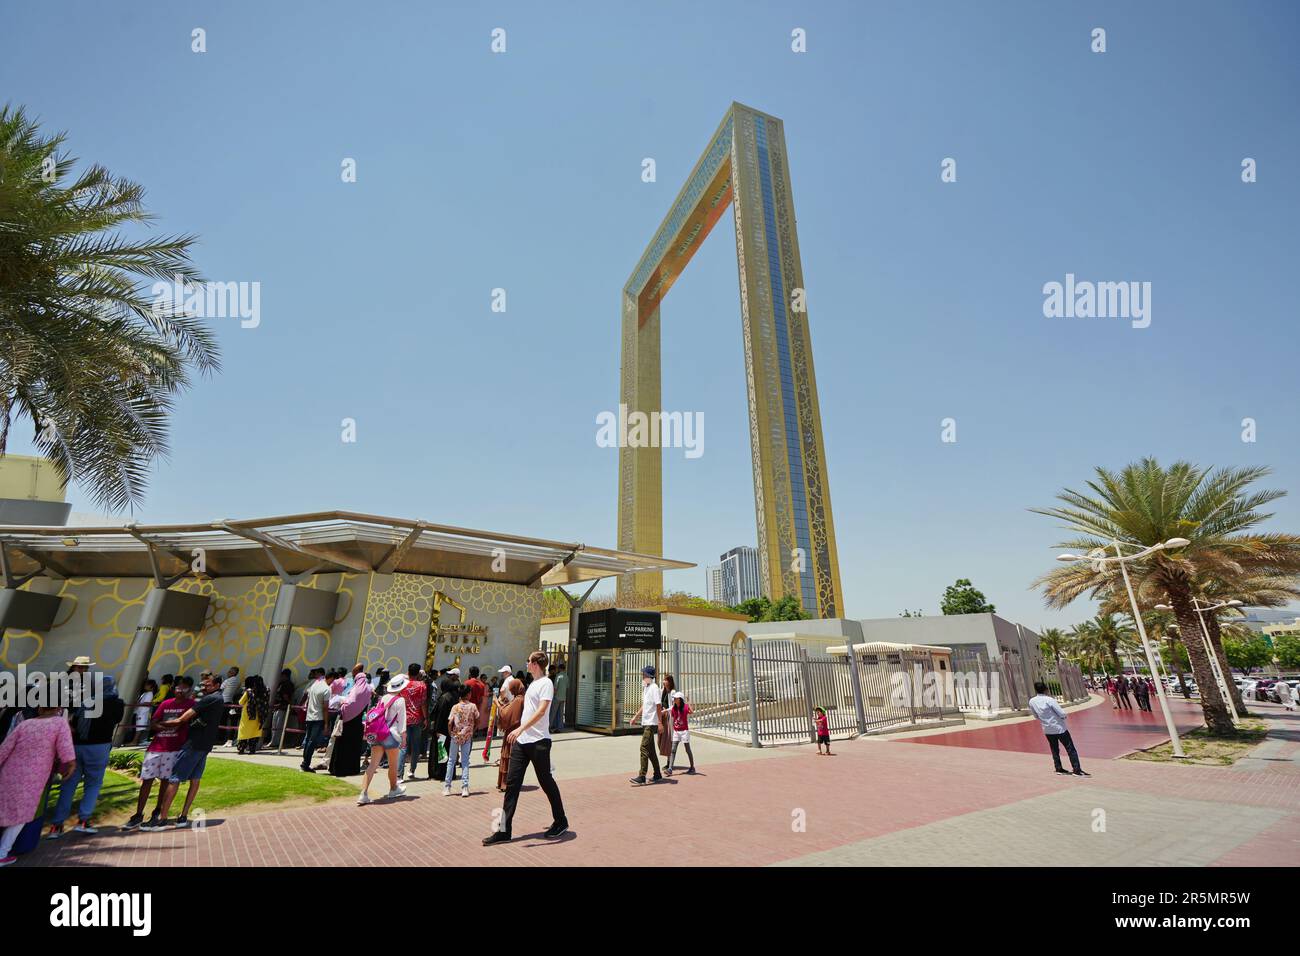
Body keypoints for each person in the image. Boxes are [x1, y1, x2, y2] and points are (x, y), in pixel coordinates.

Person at [482, 651, 567, 846]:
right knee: (511, 784)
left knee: (546, 782)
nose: (526, 663)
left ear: (536, 664)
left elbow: (542, 711)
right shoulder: (532, 684)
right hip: (523, 741)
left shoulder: (546, 683)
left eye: (529, 661)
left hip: (539, 742)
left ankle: (561, 820)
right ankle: (503, 831)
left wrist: (520, 728)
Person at [48, 673, 125, 838]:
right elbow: (118, 719)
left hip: (77, 746)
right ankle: (83, 821)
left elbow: (75, 723)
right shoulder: (117, 703)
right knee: (93, 784)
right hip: (99, 747)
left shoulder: (86, 702)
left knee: (68, 785)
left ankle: (57, 825)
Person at [145, 673, 225, 830]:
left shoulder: (210, 699)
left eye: (208, 685)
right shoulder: (218, 699)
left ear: (216, 686)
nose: (204, 687)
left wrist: (159, 724)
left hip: (193, 744)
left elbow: (182, 719)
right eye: (203, 684)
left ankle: (162, 818)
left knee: (174, 778)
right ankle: (183, 816)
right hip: (205, 745)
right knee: (195, 779)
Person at [0, 704, 75, 866]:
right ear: (57, 709)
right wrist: (71, 765)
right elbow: (66, 749)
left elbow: (4, 749)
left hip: (10, 772)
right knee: (22, 816)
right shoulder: (59, 723)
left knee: (3, 808)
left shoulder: (25, 724)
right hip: (33, 778)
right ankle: (2, 853)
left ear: (40, 708)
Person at [124, 676, 195, 829]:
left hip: (174, 748)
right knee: (147, 780)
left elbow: (183, 722)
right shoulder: (165, 704)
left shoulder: (191, 705)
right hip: (156, 747)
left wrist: (164, 725)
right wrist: (162, 726)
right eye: (178, 687)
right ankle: (138, 814)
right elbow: (153, 723)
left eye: (184, 688)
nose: (180, 691)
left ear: (189, 690)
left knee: (165, 781)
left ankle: (157, 812)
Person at [357, 674, 408, 805]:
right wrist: (404, 738)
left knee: (373, 765)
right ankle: (393, 789)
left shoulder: (383, 697)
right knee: (393, 765)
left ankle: (363, 793)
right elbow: (402, 722)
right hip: (392, 734)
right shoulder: (400, 700)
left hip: (378, 733)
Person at [1027, 681, 1089, 777]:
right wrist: (1063, 717)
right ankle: (1076, 770)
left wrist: (1045, 720)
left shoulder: (1032, 701)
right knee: (1070, 749)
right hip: (1059, 728)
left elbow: (1036, 716)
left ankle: (1058, 768)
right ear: (1045, 689)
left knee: (1054, 749)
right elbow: (1061, 713)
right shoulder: (1049, 700)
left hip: (1047, 729)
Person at [329, 665, 370, 777]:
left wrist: (342, 704)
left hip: (348, 722)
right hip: (358, 723)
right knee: (354, 747)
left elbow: (351, 703)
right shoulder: (367, 688)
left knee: (343, 746)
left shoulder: (357, 688)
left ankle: (339, 769)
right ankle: (352, 769)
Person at [628, 665, 664, 786]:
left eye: (644, 675)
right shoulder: (646, 688)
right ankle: (658, 774)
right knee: (651, 750)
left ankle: (642, 775)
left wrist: (659, 723)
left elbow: (658, 706)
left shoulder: (654, 688)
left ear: (649, 676)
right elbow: (645, 706)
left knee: (643, 747)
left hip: (651, 723)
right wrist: (635, 717)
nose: (642, 677)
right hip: (646, 722)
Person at [444, 684, 479, 797]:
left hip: (455, 735)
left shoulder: (455, 707)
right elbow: (477, 719)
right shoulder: (473, 706)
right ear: (468, 694)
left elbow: (450, 722)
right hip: (467, 736)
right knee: (465, 761)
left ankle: (447, 787)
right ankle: (465, 787)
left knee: (451, 761)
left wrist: (450, 733)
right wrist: (473, 729)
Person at [397, 663, 427, 781]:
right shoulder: (422, 685)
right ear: (419, 672)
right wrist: (425, 718)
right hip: (417, 718)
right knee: (415, 746)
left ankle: (399, 775)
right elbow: (423, 703)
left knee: (403, 746)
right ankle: (412, 770)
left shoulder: (403, 685)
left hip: (404, 718)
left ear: (408, 672)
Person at [494, 678, 525, 792]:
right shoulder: (520, 698)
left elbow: (506, 714)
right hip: (516, 732)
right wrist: (505, 704)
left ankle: (506, 783)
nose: (511, 692)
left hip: (512, 733)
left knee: (508, 756)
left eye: (512, 689)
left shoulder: (518, 700)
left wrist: (497, 704)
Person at [300, 669, 331, 773]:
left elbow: (308, 700)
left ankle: (304, 762)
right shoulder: (327, 689)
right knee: (312, 741)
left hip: (309, 717)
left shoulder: (314, 685)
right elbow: (325, 708)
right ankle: (305, 764)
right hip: (318, 718)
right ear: (332, 678)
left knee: (308, 739)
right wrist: (326, 724)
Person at [236, 675, 269, 755]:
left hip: (248, 716)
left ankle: (241, 749)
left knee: (243, 732)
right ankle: (252, 750)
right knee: (254, 733)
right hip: (260, 716)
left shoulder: (249, 691)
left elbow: (240, 702)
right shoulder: (266, 691)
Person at [666, 690, 696, 774]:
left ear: (680, 699)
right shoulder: (674, 708)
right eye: (674, 698)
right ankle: (670, 768)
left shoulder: (685, 707)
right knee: (673, 749)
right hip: (676, 731)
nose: (674, 700)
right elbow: (672, 717)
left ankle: (692, 767)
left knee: (687, 749)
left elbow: (692, 711)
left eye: (676, 698)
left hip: (684, 731)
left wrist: (688, 701)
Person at [267, 668, 294, 748]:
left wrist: (289, 703)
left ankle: (276, 742)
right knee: (275, 726)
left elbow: (286, 696)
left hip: (282, 707)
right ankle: (273, 741)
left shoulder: (287, 684)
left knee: (278, 726)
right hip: (278, 707)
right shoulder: (282, 683)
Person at [131, 679, 158, 746]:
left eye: (147, 685)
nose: (145, 686)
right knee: (138, 727)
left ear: (151, 686)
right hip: (140, 712)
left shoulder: (149, 694)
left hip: (143, 713)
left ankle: (135, 741)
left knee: (139, 728)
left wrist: (138, 704)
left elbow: (147, 703)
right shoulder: (145, 693)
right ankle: (137, 741)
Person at [219, 666, 242, 745]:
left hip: (223, 701)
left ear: (233, 673)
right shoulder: (238, 681)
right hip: (230, 702)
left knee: (222, 721)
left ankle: (220, 738)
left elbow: (220, 689)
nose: (228, 673)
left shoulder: (227, 681)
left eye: (229, 671)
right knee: (229, 722)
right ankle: (225, 738)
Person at [551, 663, 568, 732]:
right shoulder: (566, 676)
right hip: (563, 697)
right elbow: (567, 687)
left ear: (560, 668)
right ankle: (560, 727)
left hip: (557, 697)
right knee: (560, 714)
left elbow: (555, 687)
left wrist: (553, 695)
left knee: (553, 713)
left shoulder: (558, 676)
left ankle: (549, 726)